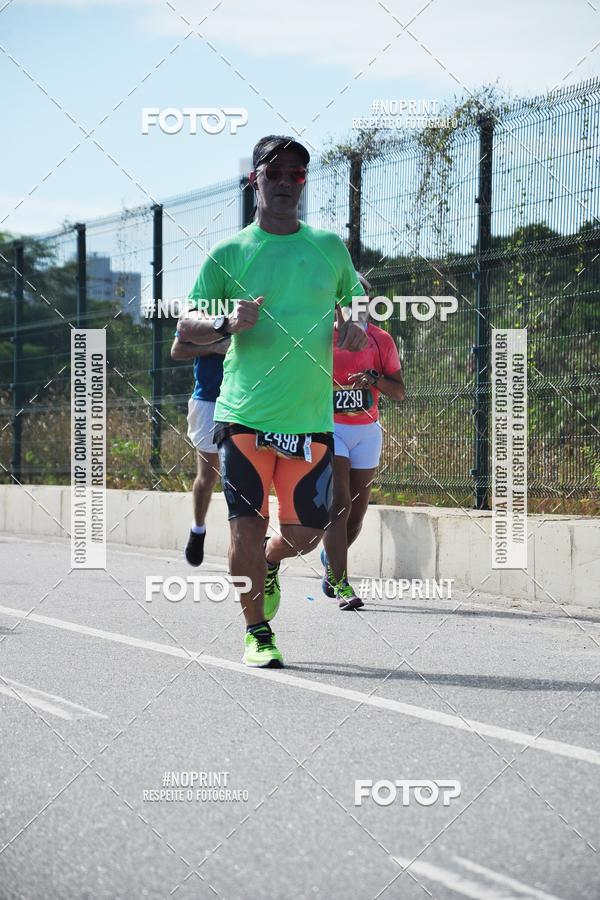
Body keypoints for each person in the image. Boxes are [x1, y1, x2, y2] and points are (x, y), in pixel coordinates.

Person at [176, 134, 367, 668]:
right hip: (243, 416)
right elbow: (186, 323)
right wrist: (226, 322)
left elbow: (357, 306)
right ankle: (257, 631)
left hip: (308, 418)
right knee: (246, 523)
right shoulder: (230, 253)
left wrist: (355, 326)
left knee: (305, 535)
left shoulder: (328, 247)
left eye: (296, 175)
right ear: (254, 180)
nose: (286, 183)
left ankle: (269, 564)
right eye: (275, 173)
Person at [321, 274, 405, 608]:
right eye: (348, 298)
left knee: (356, 515)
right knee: (338, 503)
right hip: (331, 429)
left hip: (367, 431)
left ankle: (331, 568)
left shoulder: (381, 340)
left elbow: (399, 391)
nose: (358, 304)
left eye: (363, 297)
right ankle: (342, 586)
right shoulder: (322, 337)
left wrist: (373, 380)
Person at [170, 329, 229, 566]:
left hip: (245, 400)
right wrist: (215, 347)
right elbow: (177, 350)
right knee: (207, 476)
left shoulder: (253, 304)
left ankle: (240, 548)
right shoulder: (202, 311)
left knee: (239, 478)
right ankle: (198, 529)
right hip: (207, 401)